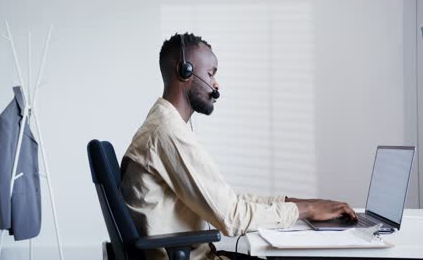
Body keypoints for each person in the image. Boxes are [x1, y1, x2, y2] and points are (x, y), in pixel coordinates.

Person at [119, 33, 357, 260]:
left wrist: (293, 202)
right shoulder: (167, 132)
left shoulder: (165, 125)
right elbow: (232, 218)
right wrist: (306, 210)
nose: (216, 84)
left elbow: (227, 201)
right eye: (211, 74)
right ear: (185, 71)